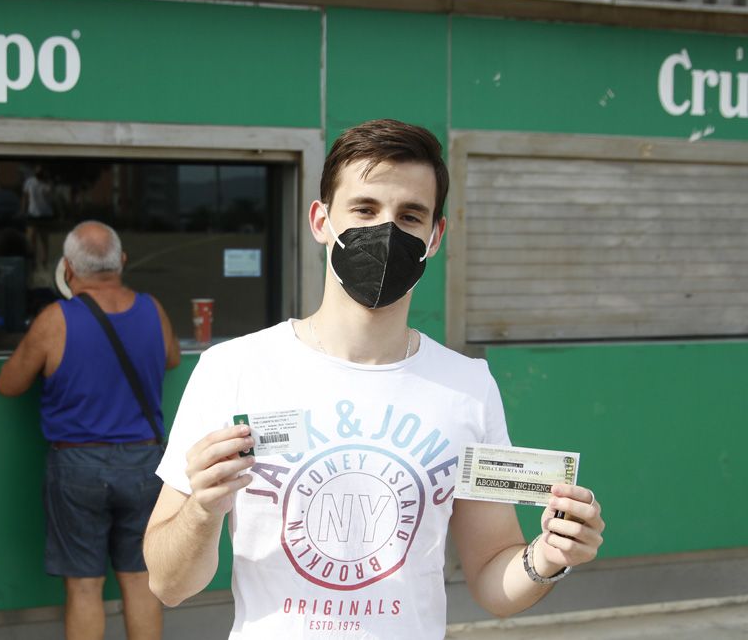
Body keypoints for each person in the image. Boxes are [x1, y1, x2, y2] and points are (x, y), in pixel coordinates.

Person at [143, 119, 606, 639]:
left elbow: (490, 576)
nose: (386, 230)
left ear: (435, 237)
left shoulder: (468, 387)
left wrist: (547, 557)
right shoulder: (234, 370)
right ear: (321, 220)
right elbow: (168, 584)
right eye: (364, 208)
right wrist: (203, 510)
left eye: (410, 216)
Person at [0, 221, 181, 640]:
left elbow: (9, 383)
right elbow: (171, 358)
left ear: (66, 267)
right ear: (122, 261)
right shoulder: (153, 308)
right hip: (144, 463)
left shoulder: (54, 320)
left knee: (84, 585)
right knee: (140, 578)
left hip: (78, 465)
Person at [22, 166, 54, 271]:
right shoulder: (29, 182)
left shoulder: (47, 183)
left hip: (45, 214)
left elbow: (49, 195)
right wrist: (23, 210)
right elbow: (25, 197)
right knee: (32, 239)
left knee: (44, 239)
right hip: (32, 213)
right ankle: (33, 262)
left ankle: (44, 261)